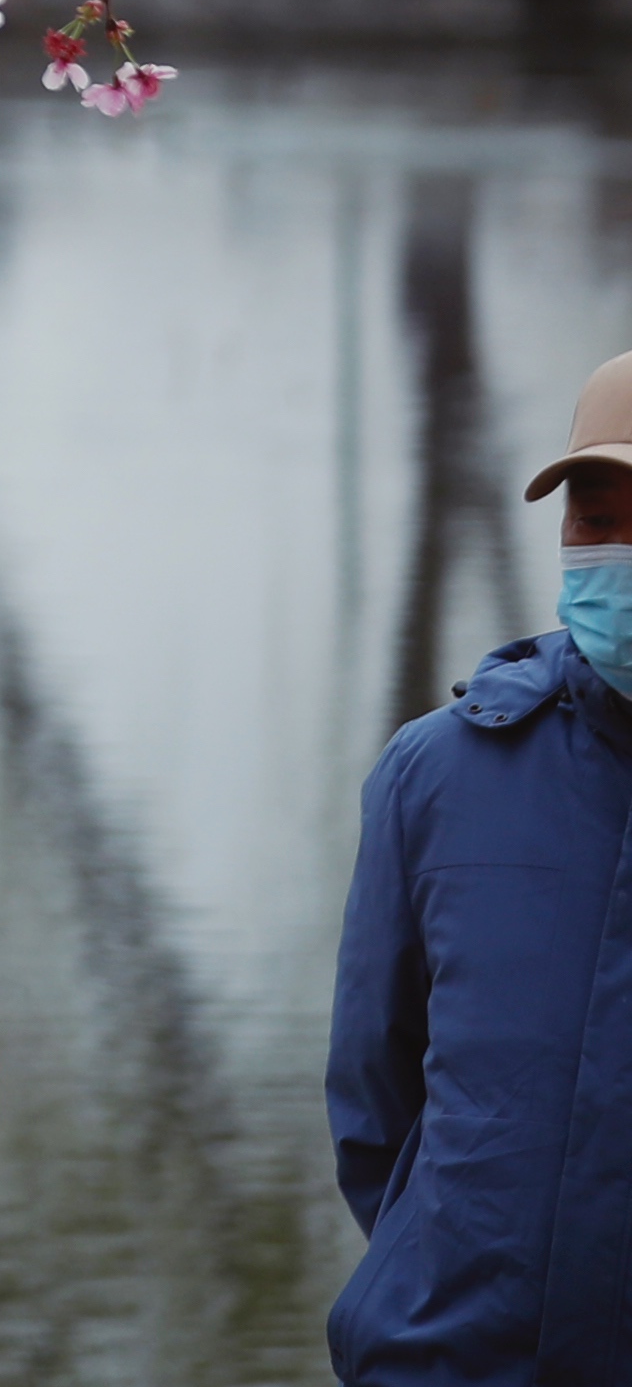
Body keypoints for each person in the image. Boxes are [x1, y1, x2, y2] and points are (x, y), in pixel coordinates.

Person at [330, 344, 632, 1384]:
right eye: (596, 521)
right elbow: (375, 1099)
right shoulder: (439, 773)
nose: (616, 553)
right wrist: (446, 1267)